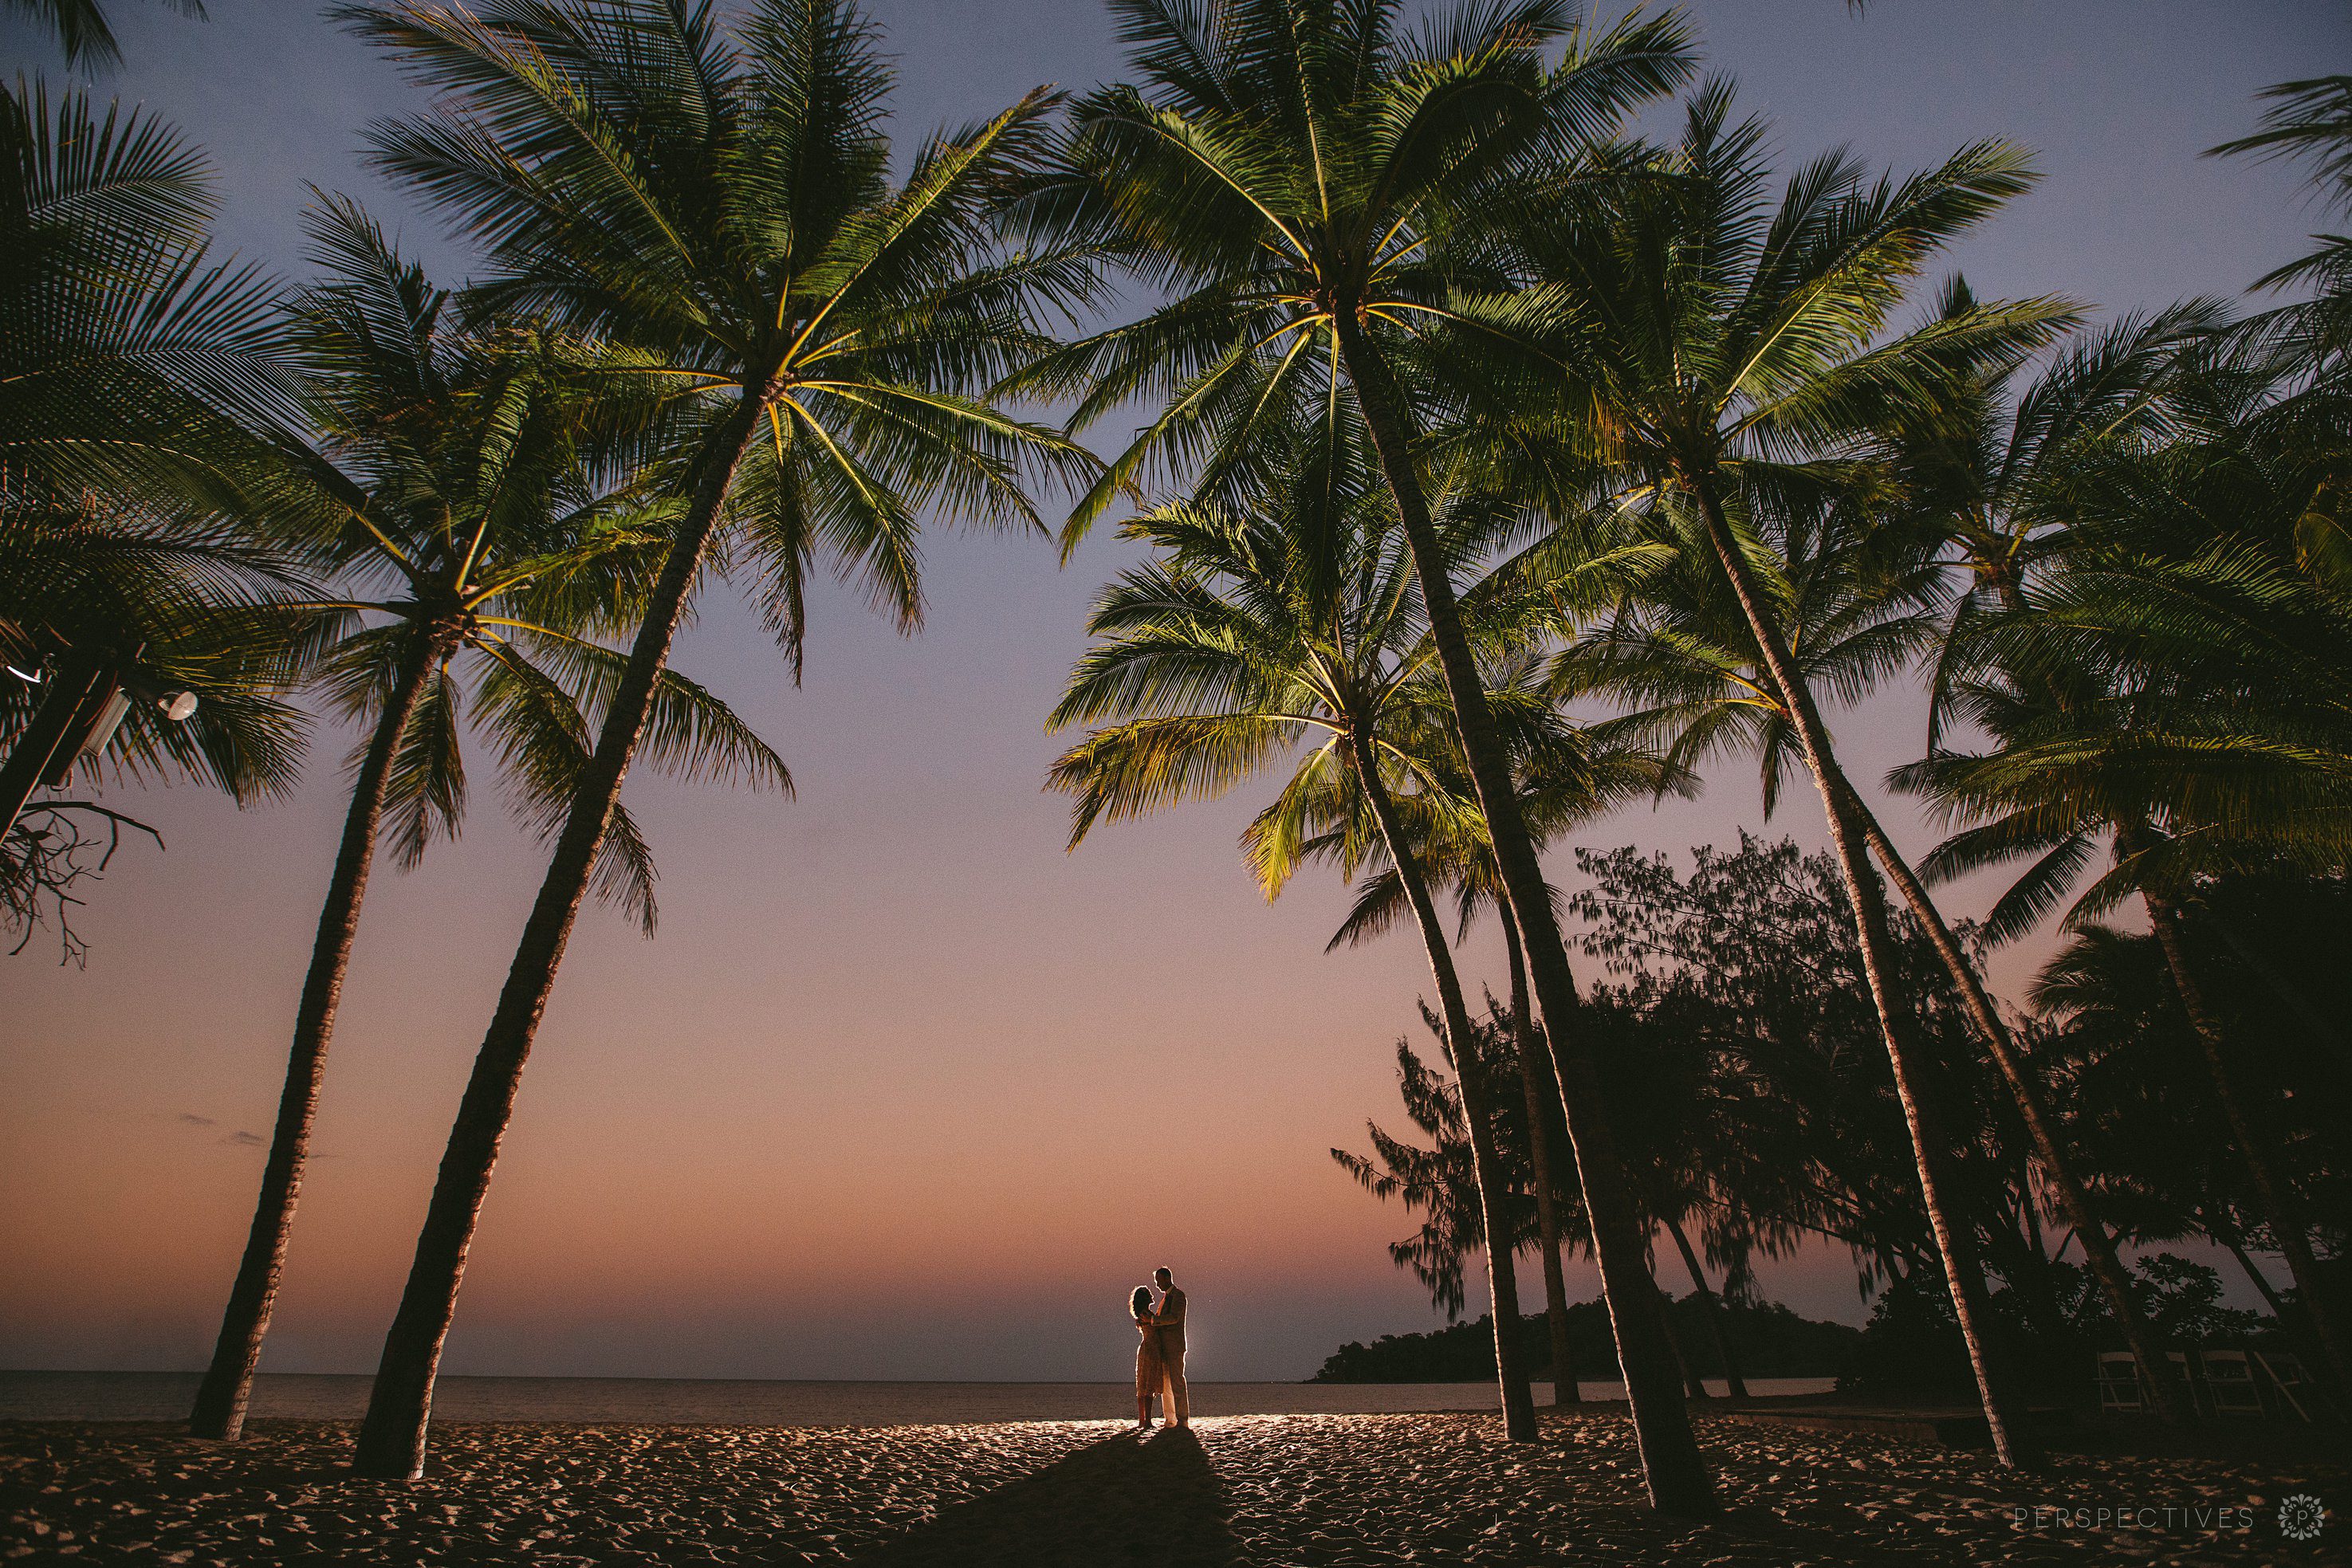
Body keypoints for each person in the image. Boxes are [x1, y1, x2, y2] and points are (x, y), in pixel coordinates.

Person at [1151, 1267, 1189, 1428]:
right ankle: (1170, 1418)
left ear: (1167, 1278)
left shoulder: (1178, 1296)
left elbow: (1174, 1318)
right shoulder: (1165, 1298)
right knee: (1166, 1384)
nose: (1157, 1284)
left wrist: (1154, 1320)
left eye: (1158, 1280)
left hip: (1175, 1347)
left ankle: (1182, 1419)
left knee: (1177, 1382)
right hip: (1164, 1348)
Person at [1130, 1285, 1162, 1429]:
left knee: (1142, 1384)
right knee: (1148, 1384)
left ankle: (1142, 1420)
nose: (1152, 1295)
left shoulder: (1142, 1314)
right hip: (1150, 1349)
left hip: (1146, 1348)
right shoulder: (1146, 1315)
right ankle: (1147, 1421)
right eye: (1149, 1293)